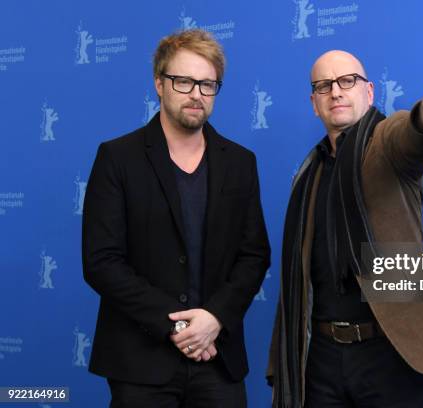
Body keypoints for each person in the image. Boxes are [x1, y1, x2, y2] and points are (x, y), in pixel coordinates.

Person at [267, 50, 423, 407]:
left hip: (391, 354)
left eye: (348, 81)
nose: (336, 92)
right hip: (321, 359)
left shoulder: (386, 146)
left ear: (370, 92)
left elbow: (411, 135)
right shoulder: (309, 174)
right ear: (314, 103)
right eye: (324, 86)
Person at [82, 29, 270, 407]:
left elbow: (254, 255)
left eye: (207, 84)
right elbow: (102, 262)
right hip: (140, 364)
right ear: (159, 84)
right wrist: (179, 326)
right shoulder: (118, 158)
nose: (196, 94)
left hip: (218, 358)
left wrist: (215, 318)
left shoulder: (239, 162)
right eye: (183, 81)